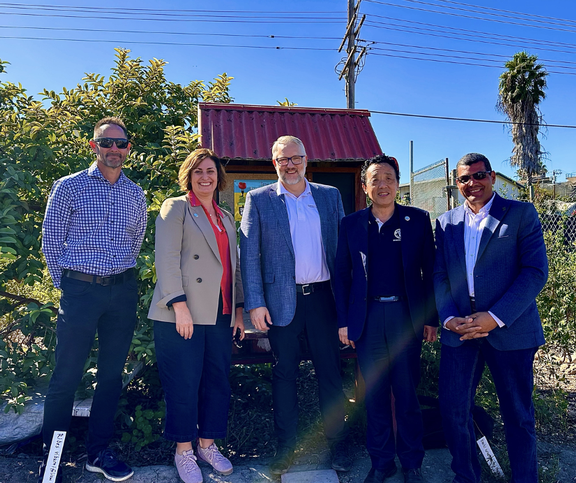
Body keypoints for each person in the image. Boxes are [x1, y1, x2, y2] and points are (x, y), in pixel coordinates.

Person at [40, 117, 147, 482]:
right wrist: (70, 286)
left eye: (121, 143)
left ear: (128, 148)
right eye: (107, 143)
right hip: (80, 290)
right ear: (94, 146)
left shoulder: (136, 193)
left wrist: (118, 281)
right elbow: (51, 242)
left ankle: (98, 453)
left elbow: (136, 243)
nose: (114, 149)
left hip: (122, 292)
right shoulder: (69, 187)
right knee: (65, 376)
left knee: (111, 376)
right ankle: (50, 460)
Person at [239, 135, 351, 476]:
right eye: (283, 159)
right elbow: (249, 255)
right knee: (284, 374)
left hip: (323, 299)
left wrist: (346, 306)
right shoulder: (257, 199)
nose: (290, 164)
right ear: (274, 163)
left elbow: (342, 253)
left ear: (306, 160)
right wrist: (255, 302)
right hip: (280, 303)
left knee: (330, 375)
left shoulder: (329, 196)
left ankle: (338, 444)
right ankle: (285, 448)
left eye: (295, 158)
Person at [434, 153, 548, 483]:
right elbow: (440, 275)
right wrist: (448, 319)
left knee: (518, 415)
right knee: (454, 411)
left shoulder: (520, 214)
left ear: (493, 177)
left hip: (509, 331)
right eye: (464, 179)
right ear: (457, 184)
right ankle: (466, 477)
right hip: (461, 331)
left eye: (479, 175)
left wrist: (495, 317)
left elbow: (535, 272)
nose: (473, 183)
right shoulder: (446, 222)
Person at [334, 154, 438, 483]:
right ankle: (381, 462)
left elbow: (430, 272)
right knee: (375, 394)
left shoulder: (418, 220)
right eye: (375, 179)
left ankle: (411, 463)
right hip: (367, 318)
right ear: (365, 187)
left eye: (389, 178)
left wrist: (430, 318)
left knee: (406, 393)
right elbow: (341, 276)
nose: (383, 185)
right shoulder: (351, 224)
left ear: (398, 184)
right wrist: (343, 321)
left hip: (405, 316)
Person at [148, 148, 245, 483]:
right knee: (184, 384)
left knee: (218, 383)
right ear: (188, 176)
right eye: (198, 171)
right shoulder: (176, 208)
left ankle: (207, 444)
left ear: (219, 178)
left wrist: (239, 311)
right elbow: (166, 259)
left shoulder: (226, 216)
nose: (205, 177)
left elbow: (233, 269)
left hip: (220, 313)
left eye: (211, 172)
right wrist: (179, 306)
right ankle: (184, 451)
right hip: (182, 313)